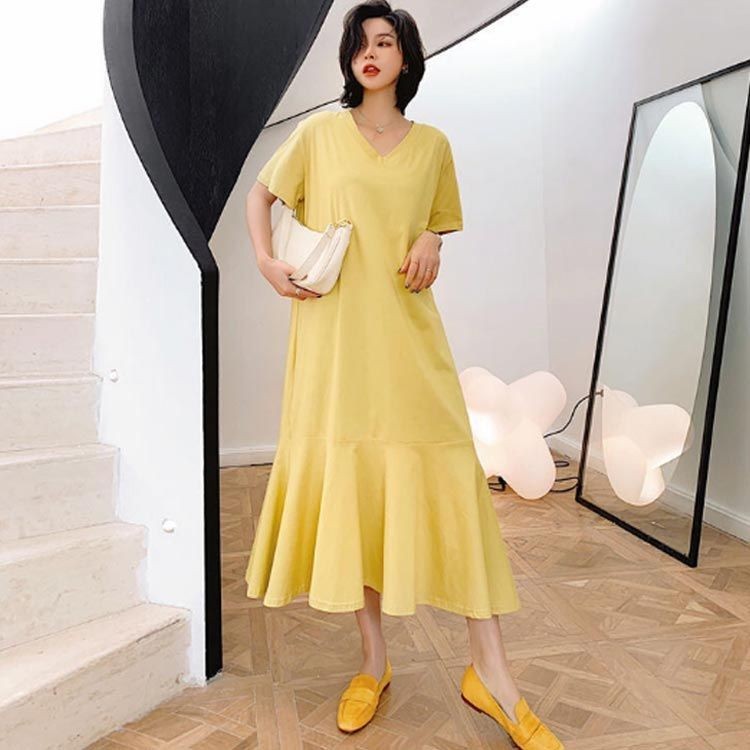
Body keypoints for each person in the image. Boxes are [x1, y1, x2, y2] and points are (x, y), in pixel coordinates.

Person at [243, 2, 564, 748]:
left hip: (409, 341)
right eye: (360, 43)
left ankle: (492, 674)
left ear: (406, 58)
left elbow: (435, 222)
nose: (370, 52)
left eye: (384, 42)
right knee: (357, 488)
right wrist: (265, 260)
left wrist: (433, 239)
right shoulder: (318, 134)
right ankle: (373, 662)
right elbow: (261, 195)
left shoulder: (434, 146)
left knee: (454, 481)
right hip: (335, 344)